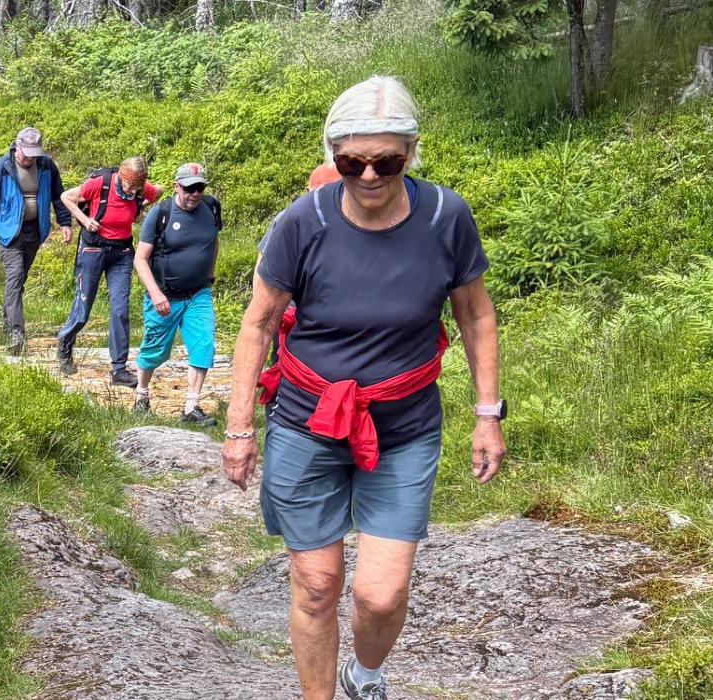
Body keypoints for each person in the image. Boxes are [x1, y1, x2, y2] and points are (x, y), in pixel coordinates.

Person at [221, 75, 505, 700]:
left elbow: (475, 315)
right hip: (305, 420)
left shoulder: (444, 217)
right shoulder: (304, 221)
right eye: (352, 162)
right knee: (317, 583)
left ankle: (365, 676)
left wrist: (489, 414)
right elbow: (259, 322)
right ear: (333, 157)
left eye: (387, 161)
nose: (370, 175)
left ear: (411, 153)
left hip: (402, 427)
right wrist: (240, 426)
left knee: (381, 594)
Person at [54, 156, 159, 386]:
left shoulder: (141, 189)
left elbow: (157, 191)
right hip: (93, 248)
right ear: (121, 176)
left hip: (121, 253)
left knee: (120, 309)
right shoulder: (100, 183)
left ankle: (118, 369)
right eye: (129, 184)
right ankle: (65, 343)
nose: (132, 189)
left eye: (137, 186)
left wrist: (140, 206)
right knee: (83, 310)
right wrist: (85, 219)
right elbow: (66, 197)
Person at [133, 162, 223, 425]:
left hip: (198, 293)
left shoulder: (211, 207)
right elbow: (140, 259)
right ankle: (141, 395)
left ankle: (191, 406)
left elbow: (213, 242)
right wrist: (155, 293)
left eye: (199, 188)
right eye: (189, 188)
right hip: (164, 295)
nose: (195, 194)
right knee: (155, 351)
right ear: (176, 186)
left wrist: (210, 274)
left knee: (203, 345)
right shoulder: (160, 214)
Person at [0, 127, 71, 355]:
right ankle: (17, 334)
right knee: (15, 275)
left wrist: (64, 222)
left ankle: (5, 320)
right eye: (26, 153)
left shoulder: (46, 166)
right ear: (17, 146)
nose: (29, 158)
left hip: (34, 231)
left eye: (34, 154)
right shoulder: (1, 167)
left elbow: (58, 195)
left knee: (19, 280)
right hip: (8, 232)